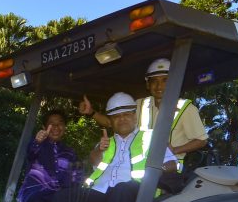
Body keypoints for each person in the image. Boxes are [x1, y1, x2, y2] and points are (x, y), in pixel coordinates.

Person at [54, 92, 178, 202]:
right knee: (62, 197)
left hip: (137, 190)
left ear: (134, 116)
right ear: (111, 121)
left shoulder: (151, 137)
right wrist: (99, 150)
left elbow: (173, 164)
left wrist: (156, 169)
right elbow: (94, 161)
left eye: (126, 114)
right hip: (101, 190)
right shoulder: (107, 142)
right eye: (116, 116)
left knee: (121, 190)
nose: (122, 119)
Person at [79, 58, 208, 171]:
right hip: (139, 168)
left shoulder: (186, 109)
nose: (159, 86)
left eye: (165, 80)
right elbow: (113, 123)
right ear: (147, 84)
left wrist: (174, 150)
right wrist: (91, 113)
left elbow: (201, 141)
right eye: (154, 81)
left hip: (169, 170)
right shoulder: (139, 104)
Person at [16, 110, 80, 202]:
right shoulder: (37, 144)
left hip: (58, 197)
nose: (56, 127)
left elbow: (75, 178)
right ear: (44, 127)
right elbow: (31, 153)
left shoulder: (70, 152)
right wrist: (37, 141)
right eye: (51, 123)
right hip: (36, 193)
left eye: (60, 123)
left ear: (65, 127)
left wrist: (73, 194)